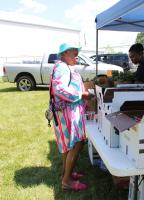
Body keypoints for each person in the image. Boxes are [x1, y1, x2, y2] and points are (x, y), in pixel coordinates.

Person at [50, 42, 93, 191]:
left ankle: (65, 174)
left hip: (67, 111)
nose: (77, 55)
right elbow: (60, 90)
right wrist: (82, 94)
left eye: (77, 52)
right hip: (68, 112)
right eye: (74, 52)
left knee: (69, 145)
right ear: (64, 54)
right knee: (76, 144)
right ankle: (67, 181)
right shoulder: (62, 67)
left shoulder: (64, 67)